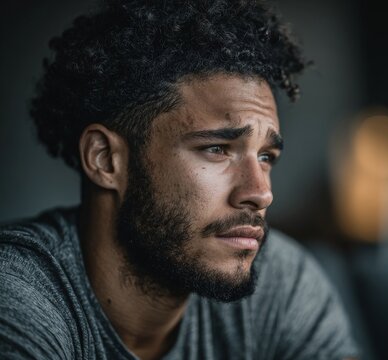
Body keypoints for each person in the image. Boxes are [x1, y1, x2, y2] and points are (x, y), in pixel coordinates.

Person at [0, 0, 360, 359]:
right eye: (217, 149)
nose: (261, 193)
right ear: (106, 160)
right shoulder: (17, 294)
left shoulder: (282, 284)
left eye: (266, 157)